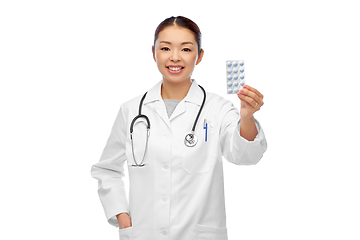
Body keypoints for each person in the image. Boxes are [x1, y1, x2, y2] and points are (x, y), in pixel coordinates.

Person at [91, 16, 267, 240]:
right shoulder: (132, 109)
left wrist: (247, 117)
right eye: (165, 48)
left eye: (185, 49)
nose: (175, 57)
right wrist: (121, 215)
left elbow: (246, 156)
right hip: (145, 233)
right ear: (153, 53)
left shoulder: (218, 108)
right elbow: (107, 169)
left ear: (199, 56)